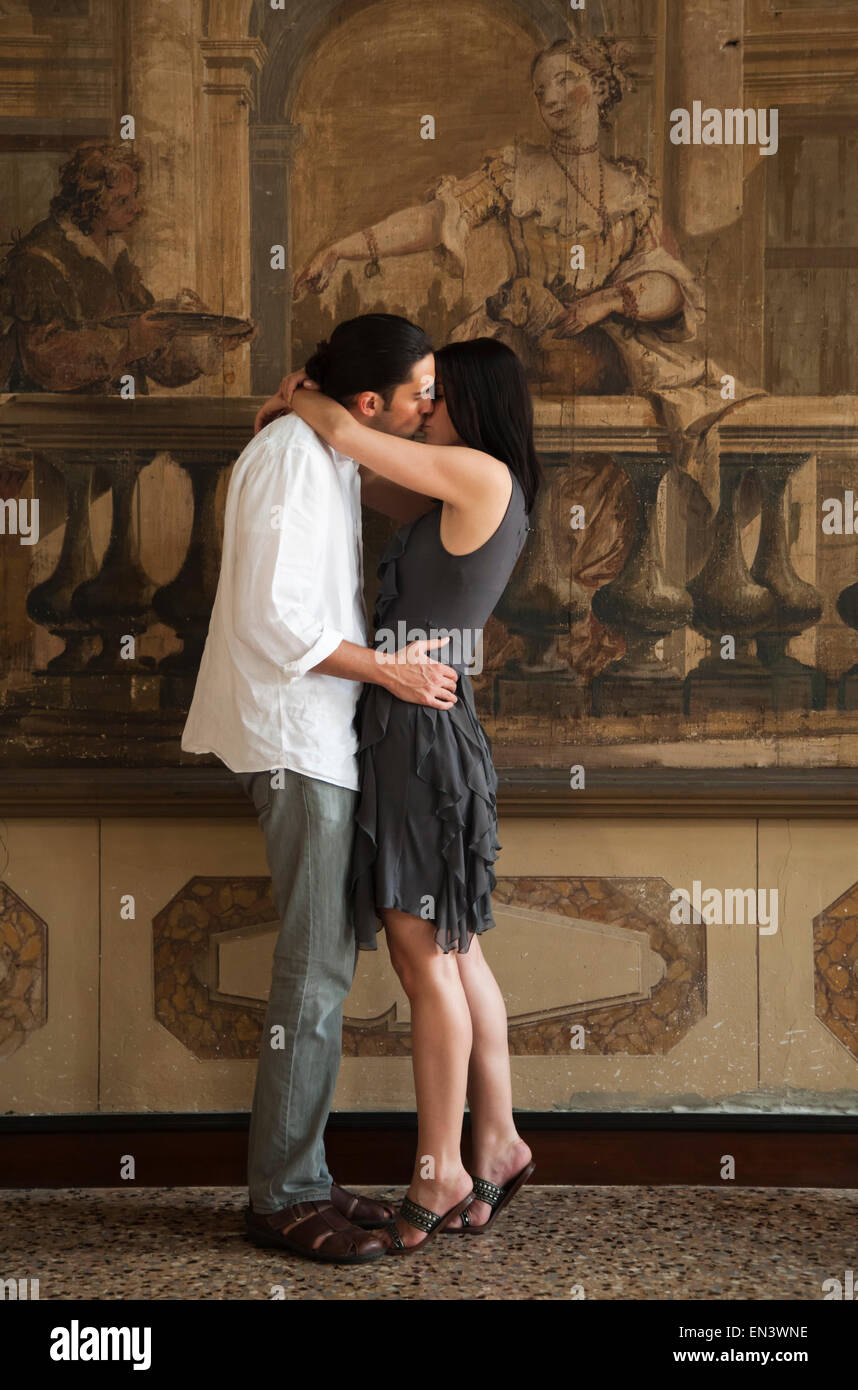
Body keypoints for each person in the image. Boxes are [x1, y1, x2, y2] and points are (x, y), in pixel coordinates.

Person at [181, 313, 463, 1263]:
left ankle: (300, 1175)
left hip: (318, 742)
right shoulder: (294, 461)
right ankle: (279, 1197)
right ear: (372, 401)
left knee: (323, 969)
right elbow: (274, 624)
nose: (432, 405)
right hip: (295, 743)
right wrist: (392, 672)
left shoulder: (326, 448)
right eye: (422, 390)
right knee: (311, 972)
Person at [256, 336, 542, 1252]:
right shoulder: (463, 481)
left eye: (435, 392)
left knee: (427, 963)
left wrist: (296, 399)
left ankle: (440, 1168)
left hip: (419, 736)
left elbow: (350, 435)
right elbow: (356, 467)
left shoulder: (478, 475)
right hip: (420, 725)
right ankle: (495, 1142)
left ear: (467, 400)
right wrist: (317, 428)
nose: (423, 404)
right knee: (457, 957)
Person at [0, 141, 253, 393]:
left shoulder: (116, 258)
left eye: (134, 195)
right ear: (89, 202)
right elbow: (46, 359)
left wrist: (211, 344)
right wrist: (131, 341)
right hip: (59, 421)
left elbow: (153, 359)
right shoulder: (39, 258)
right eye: (122, 200)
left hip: (120, 416)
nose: (136, 207)